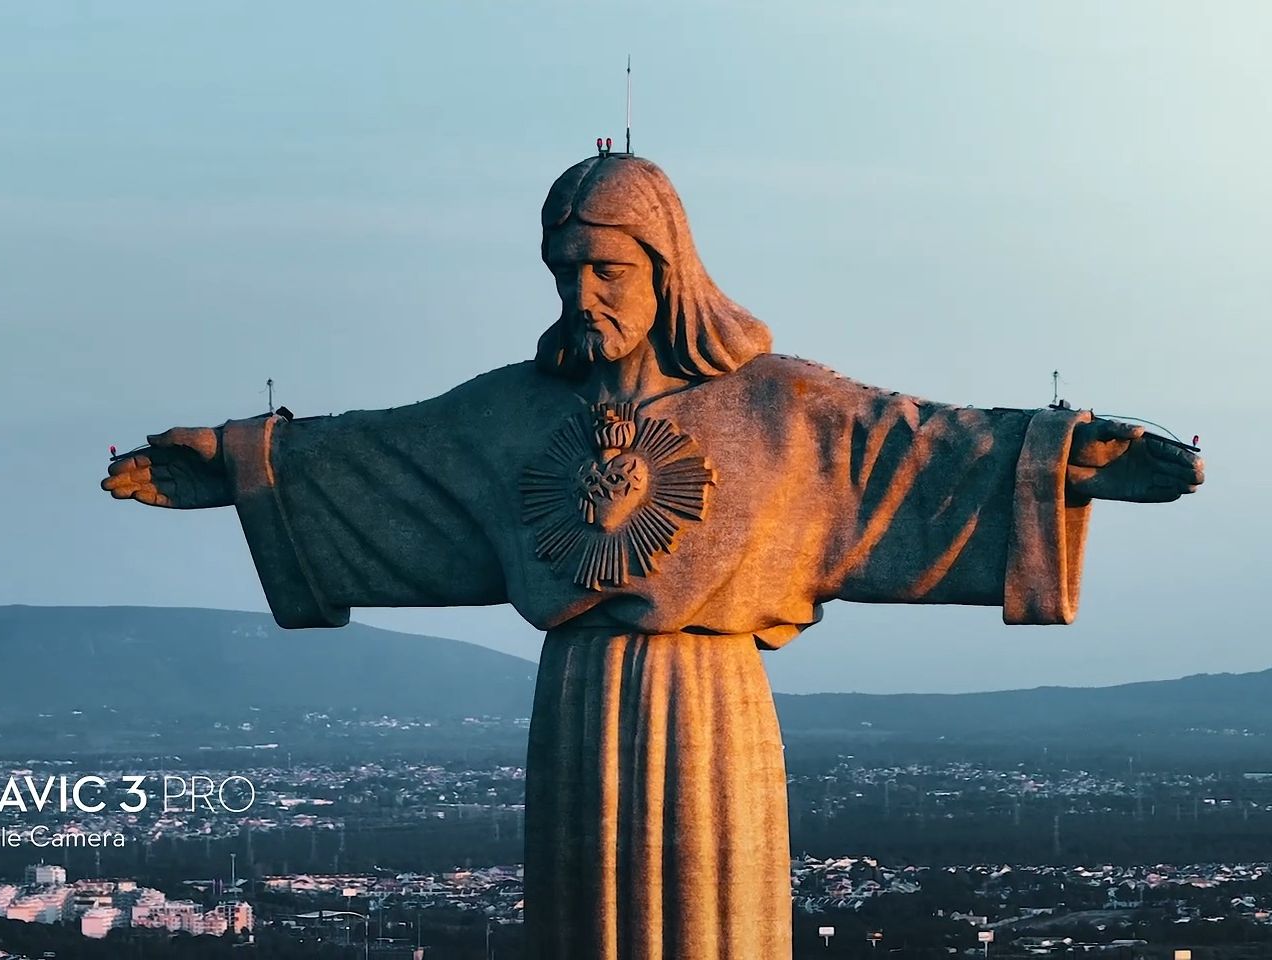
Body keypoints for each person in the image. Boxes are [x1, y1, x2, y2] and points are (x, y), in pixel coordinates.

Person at [103, 154, 1202, 960]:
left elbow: (918, 449)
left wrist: (1062, 460)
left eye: (606, 272)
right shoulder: (512, 415)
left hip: (712, 707)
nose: (580, 296)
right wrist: (240, 464)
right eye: (563, 272)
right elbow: (372, 456)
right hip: (578, 705)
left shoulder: (779, 407)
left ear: (666, 269)